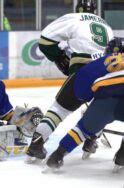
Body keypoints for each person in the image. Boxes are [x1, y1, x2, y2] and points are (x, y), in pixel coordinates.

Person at [26, 0, 114, 160]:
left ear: (78, 8)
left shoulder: (74, 18)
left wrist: (58, 57)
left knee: (59, 109)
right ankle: (91, 139)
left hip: (85, 71)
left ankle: (36, 145)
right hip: (108, 73)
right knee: (102, 108)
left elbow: (45, 40)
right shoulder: (107, 27)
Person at [46, 37, 124, 170]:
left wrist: (89, 99)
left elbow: (83, 87)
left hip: (104, 101)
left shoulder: (102, 61)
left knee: (83, 128)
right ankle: (122, 156)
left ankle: (57, 155)